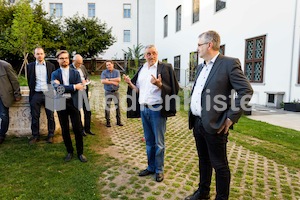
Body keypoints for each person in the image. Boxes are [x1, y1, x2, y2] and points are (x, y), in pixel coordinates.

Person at [185, 30, 253, 200]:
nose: (197, 48)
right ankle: (203, 192)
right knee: (204, 161)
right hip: (198, 123)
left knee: (220, 165)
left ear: (209, 45)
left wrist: (230, 118)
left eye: (199, 45)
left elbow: (246, 91)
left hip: (216, 124)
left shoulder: (229, 64)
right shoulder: (201, 67)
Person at [123, 45, 179, 182]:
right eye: (148, 54)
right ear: (144, 56)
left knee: (159, 142)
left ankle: (159, 170)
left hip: (157, 109)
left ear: (157, 54)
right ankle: (151, 167)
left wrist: (159, 85)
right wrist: (131, 84)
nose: (151, 56)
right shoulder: (141, 70)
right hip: (144, 108)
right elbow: (138, 91)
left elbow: (174, 89)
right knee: (149, 141)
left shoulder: (165, 68)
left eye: (154, 53)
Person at [51, 50, 87, 162]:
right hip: (61, 102)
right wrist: (73, 87)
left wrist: (65, 86)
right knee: (65, 129)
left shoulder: (75, 73)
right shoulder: (54, 74)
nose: (64, 60)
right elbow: (58, 89)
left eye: (66, 58)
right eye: (61, 58)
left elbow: (80, 86)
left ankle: (80, 153)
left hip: (74, 102)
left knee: (78, 129)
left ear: (69, 59)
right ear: (58, 60)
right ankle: (70, 151)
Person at [27, 47, 56, 144]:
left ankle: (51, 135)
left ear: (44, 54)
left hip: (48, 93)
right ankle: (35, 135)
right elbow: (29, 80)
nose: (39, 55)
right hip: (36, 94)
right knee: (35, 116)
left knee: (50, 116)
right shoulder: (30, 66)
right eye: (37, 54)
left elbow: (53, 80)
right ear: (34, 55)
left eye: (41, 53)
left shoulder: (51, 66)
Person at [70, 54, 94, 136]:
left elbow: (87, 76)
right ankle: (80, 130)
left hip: (84, 91)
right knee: (78, 112)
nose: (80, 65)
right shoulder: (69, 69)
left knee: (87, 111)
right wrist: (79, 83)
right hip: (76, 92)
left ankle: (88, 129)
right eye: (78, 63)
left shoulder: (82, 67)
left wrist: (87, 80)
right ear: (73, 61)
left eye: (81, 63)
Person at [0, 60, 21, 144]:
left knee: (4, 116)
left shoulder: (5, 65)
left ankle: (1, 135)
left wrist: (17, 94)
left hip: (3, 96)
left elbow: (14, 80)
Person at [101, 60, 123, 127]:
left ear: (112, 64)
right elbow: (102, 81)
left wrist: (109, 80)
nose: (108, 66)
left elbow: (119, 79)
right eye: (107, 65)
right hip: (108, 92)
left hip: (116, 92)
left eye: (109, 64)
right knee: (107, 107)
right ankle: (108, 122)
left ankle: (118, 121)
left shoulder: (117, 71)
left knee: (117, 107)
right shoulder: (104, 72)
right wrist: (113, 82)